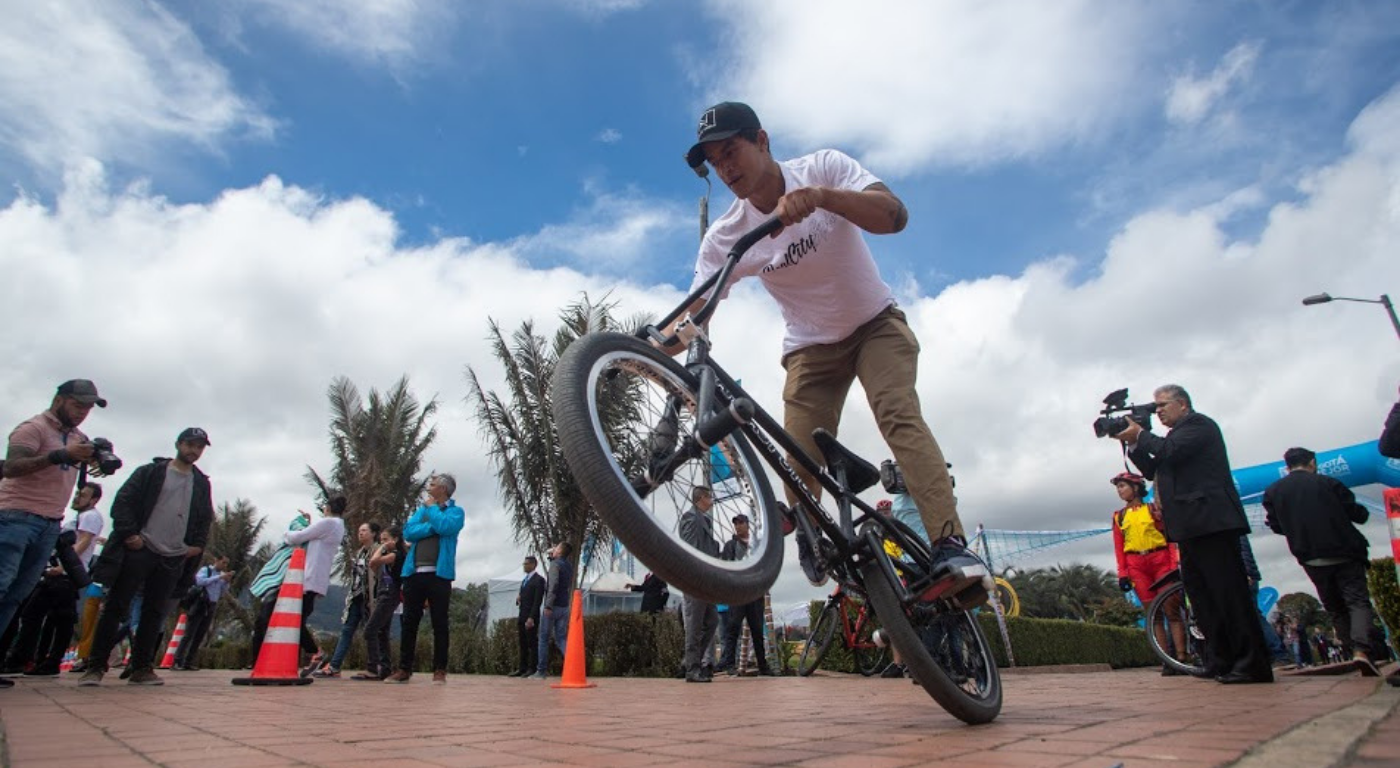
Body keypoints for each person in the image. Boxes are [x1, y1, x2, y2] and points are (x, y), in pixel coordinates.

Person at [672, 102, 980, 589]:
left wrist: (822, 198)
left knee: (897, 413)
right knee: (798, 456)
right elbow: (696, 313)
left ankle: (951, 544)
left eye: (732, 151)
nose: (726, 168)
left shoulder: (824, 169)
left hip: (875, 325)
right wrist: (638, 350)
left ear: (763, 141)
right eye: (715, 162)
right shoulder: (726, 236)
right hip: (810, 349)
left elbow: (894, 216)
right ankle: (812, 535)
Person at [1115, 385, 1272, 684]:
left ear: (1183, 404)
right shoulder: (1174, 437)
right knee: (1202, 599)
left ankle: (1251, 663)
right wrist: (1132, 445)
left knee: (1227, 594)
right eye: (1155, 406)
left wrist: (1140, 435)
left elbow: (1166, 451)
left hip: (1212, 522)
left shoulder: (1199, 426)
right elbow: (1153, 468)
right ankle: (1219, 659)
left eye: (1162, 405)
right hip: (1188, 527)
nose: (1158, 411)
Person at [80, 427, 215, 687]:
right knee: (116, 606)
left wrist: (196, 545)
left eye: (199, 447)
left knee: (155, 612)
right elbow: (123, 503)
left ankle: (142, 667)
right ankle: (95, 666)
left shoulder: (200, 482)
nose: (194, 451)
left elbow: (204, 516)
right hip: (140, 549)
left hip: (173, 555)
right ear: (178, 444)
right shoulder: (150, 472)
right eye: (190, 445)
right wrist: (130, 535)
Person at [0, 379, 105, 687]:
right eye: (78, 405)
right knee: (1, 586)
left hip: (50, 523)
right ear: (60, 399)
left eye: (88, 408)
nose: (83, 412)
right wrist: (60, 455)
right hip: (15, 516)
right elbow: (11, 467)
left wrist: (97, 459)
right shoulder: (33, 428)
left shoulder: (77, 437)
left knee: (16, 596)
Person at [1263, 447, 1380, 675]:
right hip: (1345, 552)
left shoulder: (1273, 492)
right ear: (1312, 463)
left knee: (1335, 608)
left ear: (1287, 468)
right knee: (1357, 602)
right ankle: (1362, 650)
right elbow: (1357, 513)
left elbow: (1275, 525)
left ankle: (1351, 652)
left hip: (1310, 556)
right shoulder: (1328, 483)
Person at [385, 474, 464, 685]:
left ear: (444, 489)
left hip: (439, 576)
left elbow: (447, 527)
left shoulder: (456, 512)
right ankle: (404, 668)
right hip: (414, 574)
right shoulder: (423, 510)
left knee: (440, 623)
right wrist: (431, 525)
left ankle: (439, 669)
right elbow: (409, 532)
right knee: (409, 621)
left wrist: (431, 512)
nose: (429, 487)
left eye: (433, 483)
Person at [1107, 472, 1186, 675]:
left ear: (1135, 488)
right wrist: (1123, 574)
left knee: (1172, 611)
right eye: (1118, 487)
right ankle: (1166, 660)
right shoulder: (1119, 517)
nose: (1120, 490)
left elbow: (1169, 538)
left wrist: (1173, 564)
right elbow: (1119, 547)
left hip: (1160, 561)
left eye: (1123, 486)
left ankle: (1182, 656)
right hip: (1136, 565)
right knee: (1154, 615)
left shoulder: (1153, 509)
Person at [285, 495, 348, 677]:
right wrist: (309, 522)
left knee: (296, 620)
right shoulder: (337, 526)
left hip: (309, 578)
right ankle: (315, 655)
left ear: (327, 508)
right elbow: (314, 534)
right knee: (299, 619)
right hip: (316, 578)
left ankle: (315, 652)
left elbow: (298, 537)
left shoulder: (329, 523)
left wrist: (288, 531)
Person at [313, 521, 382, 678]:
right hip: (356, 597)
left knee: (371, 632)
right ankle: (335, 666)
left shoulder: (377, 550)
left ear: (373, 533)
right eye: (359, 530)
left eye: (364, 530)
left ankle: (376, 666)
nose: (360, 533)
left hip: (370, 598)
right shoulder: (360, 553)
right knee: (347, 631)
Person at [247, 511, 311, 663]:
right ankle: (258, 660)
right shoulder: (291, 544)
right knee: (264, 621)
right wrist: (304, 520)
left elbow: (299, 532)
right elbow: (295, 530)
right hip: (278, 585)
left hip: (288, 587)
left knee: (275, 622)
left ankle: (310, 651)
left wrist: (305, 521)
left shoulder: (304, 544)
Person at [718, 514, 774, 676]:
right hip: (738, 593)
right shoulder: (731, 545)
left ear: (748, 524)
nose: (738, 526)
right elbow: (726, 566)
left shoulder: (758, 543)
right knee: (732, 628)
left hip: (755, 593)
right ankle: (729, 664)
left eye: (741, 523)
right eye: (735, 523)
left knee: (757, 630)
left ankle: (763, 666)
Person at [678, 486, 720, 683]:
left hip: (708, 580)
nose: (712, 500)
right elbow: (689, 548)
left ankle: (691, 661)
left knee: (712, 621)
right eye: (709, 497)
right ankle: (692, 669)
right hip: (695, 578)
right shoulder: (690, 517)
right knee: (694, 626)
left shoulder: (705, 520)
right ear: (701, 498)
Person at [354, 525, 405, 680]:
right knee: (382, 632)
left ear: (395, 540)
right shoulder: (394, 554)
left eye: (386, 539)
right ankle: (385, 668)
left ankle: (373, 667)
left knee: (370, 631)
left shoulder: (395, 555)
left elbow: (373, 562)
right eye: (381, 540)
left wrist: (382, 547)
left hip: (390, 595)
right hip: (384, 593)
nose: (383, 542)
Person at [171, 554, 231, 671]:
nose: (224, 565)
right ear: (216, 560)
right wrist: (217, 578)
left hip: (211, 605)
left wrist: (226, 582)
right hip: (200, 604)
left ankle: (189, 661)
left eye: (226, 564)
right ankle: (177, 660)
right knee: (189, 634)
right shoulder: (206, 570)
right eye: (223, 562)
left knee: (200, 635)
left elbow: (223, 591)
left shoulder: (221, 576)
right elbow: (199, 582)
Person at [531, 541, 574, 679]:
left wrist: (548, 605)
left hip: (553, 606)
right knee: (561, 638)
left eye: (557, 547)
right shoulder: (568, 566)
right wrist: (553, 557)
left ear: (560, 551)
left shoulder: (555, 565)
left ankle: (541, 671)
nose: (554, 548)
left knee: (543, 638)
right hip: (564, 605)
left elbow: (553, 584)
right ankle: (573, 665)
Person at [509, 555, 545, 677]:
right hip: (522, 614)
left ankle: (532, 667)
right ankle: (522, 667)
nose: (524, 566)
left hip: (531, 616)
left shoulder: (539, 580)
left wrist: (531, 617)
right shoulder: (525, 580)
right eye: (524, 564)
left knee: (531, 643)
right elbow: (524, 595)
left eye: (526, 564)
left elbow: (537, 600)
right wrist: (519, 598)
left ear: (533, 565)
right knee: (522, 643)